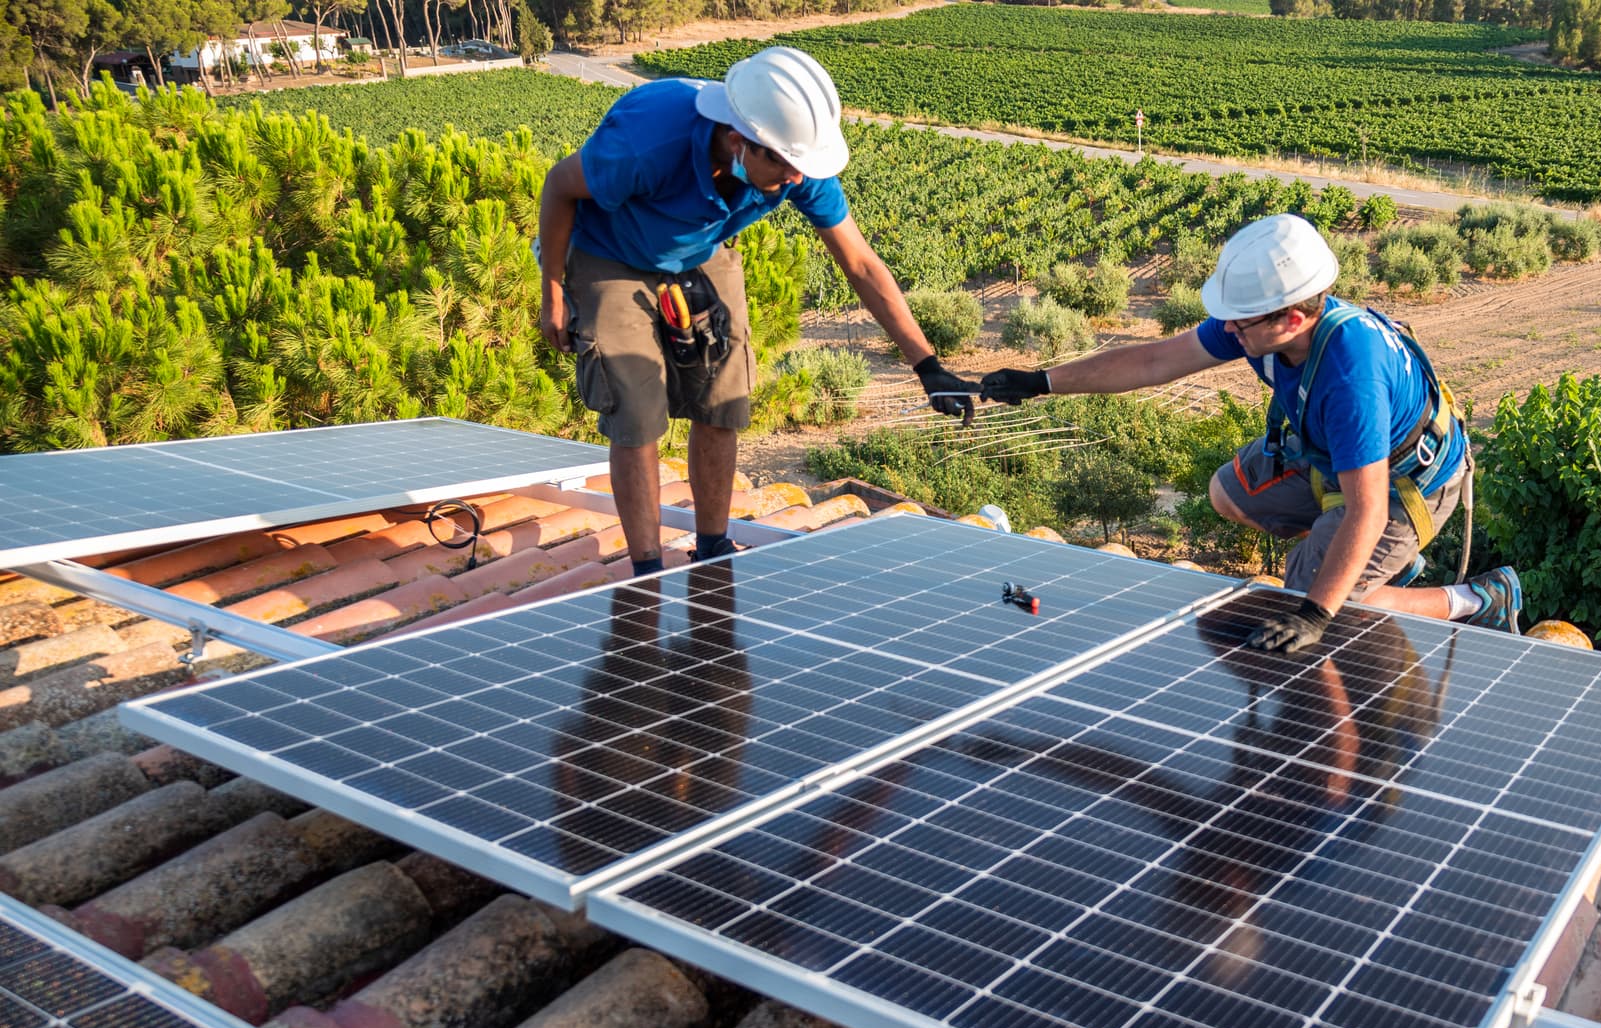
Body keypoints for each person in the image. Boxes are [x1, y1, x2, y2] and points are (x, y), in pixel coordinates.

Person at [980, 213, 1522, 655]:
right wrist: (1040, 382)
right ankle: (1355, 561)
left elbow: (1369, 510)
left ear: (1290, 319)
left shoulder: (1350, 376)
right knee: (1226, 493)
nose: (1229, 333)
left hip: (1406, 487)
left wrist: (1313, 612)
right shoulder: (1261, 323)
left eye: (1241, 324)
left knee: (1316, 600)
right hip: (1334, 460)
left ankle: (1474, 599)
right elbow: (1153, 361)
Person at [537, 46, 975, 575]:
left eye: (801, 168)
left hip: (697, 252)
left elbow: (859, 262)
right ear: (740, 140)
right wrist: (554, 293)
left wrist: (926, 366)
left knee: (724, 398)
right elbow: (560, 187)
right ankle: (648, 570)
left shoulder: (796, 161)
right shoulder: (649, 139)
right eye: (785, 167)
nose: (796, 180)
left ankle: (713, 547)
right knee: (636, 412)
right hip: (609, 252)